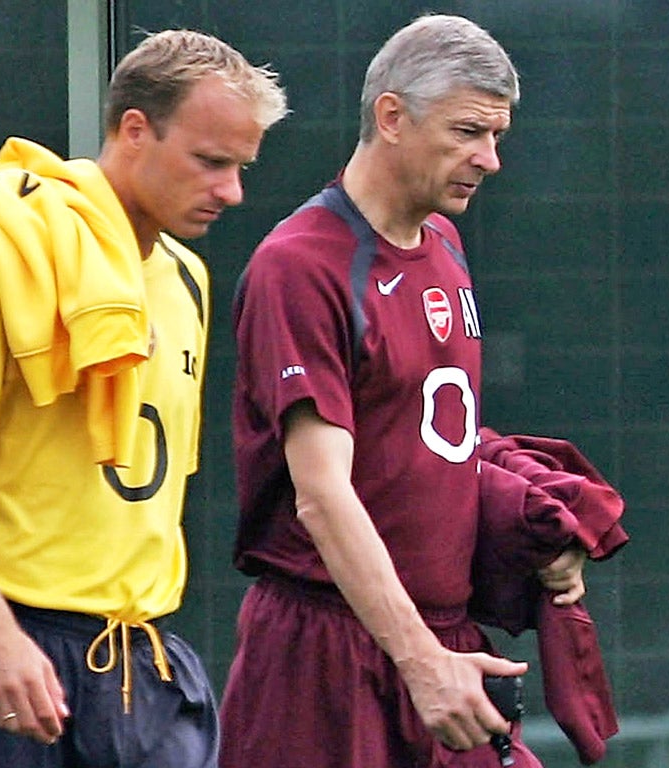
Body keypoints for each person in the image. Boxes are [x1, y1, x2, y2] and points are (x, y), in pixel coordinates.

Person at [0, 30, 287, 768]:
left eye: (241, 167)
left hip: (146, 664)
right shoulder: (3, 250)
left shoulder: (187, 277)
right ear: (133, 130)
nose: (232, 192)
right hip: (10, 650)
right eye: (211, 162)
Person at [220, 14, 586, 768]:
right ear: (391, 116)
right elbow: (322, 493)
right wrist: (421, 662)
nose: (489, 160)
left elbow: (432, 436)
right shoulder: (302, 265)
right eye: (467, 132)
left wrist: (533, 523)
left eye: (496, 136)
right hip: (323, 651)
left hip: (442, 643)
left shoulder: (446, 244)